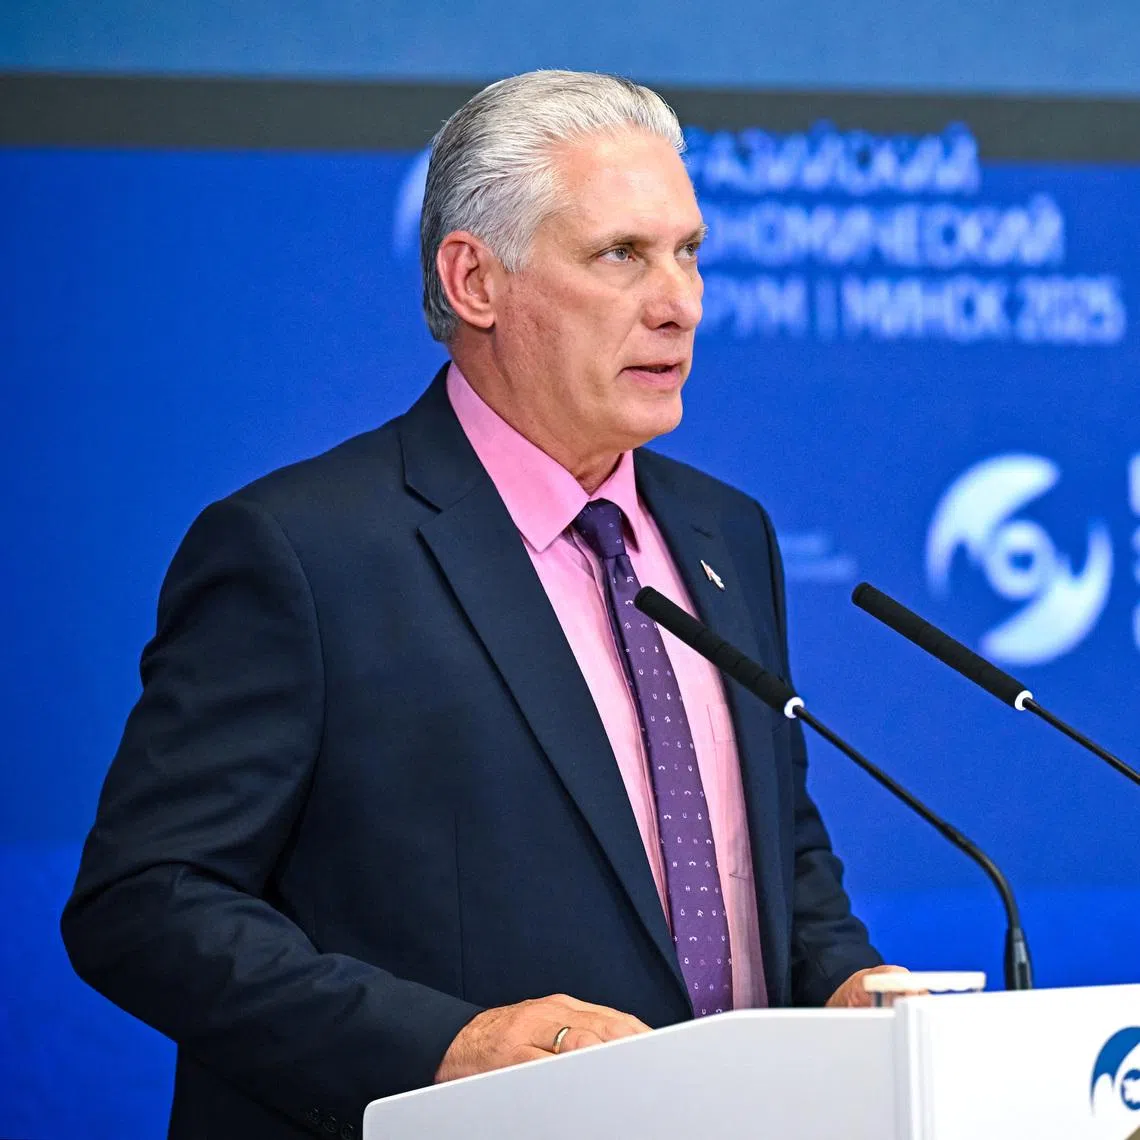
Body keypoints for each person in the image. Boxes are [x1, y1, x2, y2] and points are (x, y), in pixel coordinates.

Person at [62, 70, 900, 1140]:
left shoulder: (725, 535)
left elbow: (767, 849)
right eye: (621, 255)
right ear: (475, 280)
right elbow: (146, 903)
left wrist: (844, 983)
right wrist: (451, 1047)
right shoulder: (304, 550)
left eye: (689, 252)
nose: (680, 300)